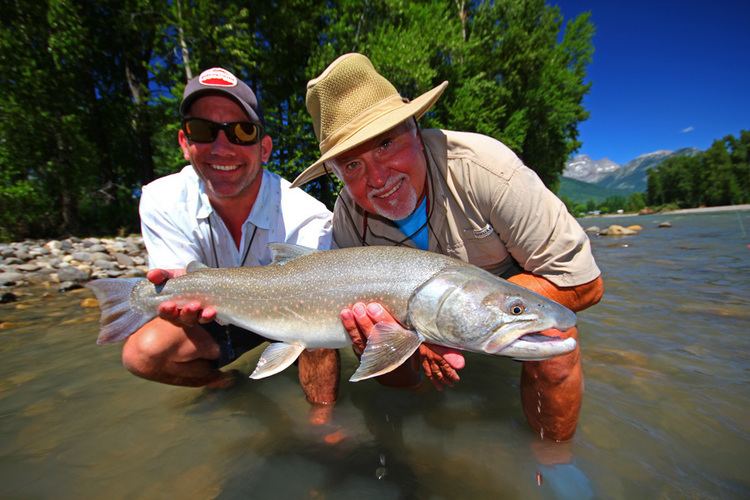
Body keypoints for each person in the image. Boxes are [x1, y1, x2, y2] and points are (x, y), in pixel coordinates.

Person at [290, 53, 604, 440]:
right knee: (388, 370)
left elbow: (584, 284)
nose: (377, 178)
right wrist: (423, 334)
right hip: (429, 318)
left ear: (416, 130)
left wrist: (456, 322)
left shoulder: (487, 170)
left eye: (386, 144)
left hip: (490, 302)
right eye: (351, 166)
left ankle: (554, 458)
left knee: (558, 344)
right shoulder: (348, 217)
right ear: (336, 174)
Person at [123, 67, 340, 407]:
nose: (221, 147)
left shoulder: (308, 215)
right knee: (141, 354)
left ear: (264, 148)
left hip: (296, 311)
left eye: (241, 131)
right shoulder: (160, 200)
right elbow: (176, 287)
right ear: (185, 142)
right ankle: (223, 384)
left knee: (320, 325)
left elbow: (319, 313)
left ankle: (323, 422)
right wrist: (174, 303)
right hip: (218, 312)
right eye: (203, 130)